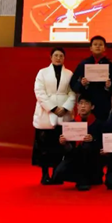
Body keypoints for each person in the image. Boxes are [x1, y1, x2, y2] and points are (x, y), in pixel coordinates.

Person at [32, 47, 76, 185]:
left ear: (64, 58)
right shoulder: (42, 72)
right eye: (56, 55)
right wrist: (53, 108)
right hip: (46, 113)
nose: (58, 58)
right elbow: (39, 92)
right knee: (44, 147)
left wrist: (66, 108)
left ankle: (57, 174)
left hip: (64, 112)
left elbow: (73, 92)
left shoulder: (69, 74)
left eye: (61, 56)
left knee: (59, 146)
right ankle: (45, 174)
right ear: (51, 57)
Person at [52, 93, 105, 191]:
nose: (83, 106)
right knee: (57, 174)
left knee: (86, 146)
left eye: (86, 103)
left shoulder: (99, 124)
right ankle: (82, 178)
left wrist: (93, 139)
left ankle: (84, 179)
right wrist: (64, 143)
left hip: (92, 160)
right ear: (77, 106)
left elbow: (104, 145)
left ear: (92, 107)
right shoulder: (70, 124)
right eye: (81, 103)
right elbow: (68, 150)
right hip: (75, 158)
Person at [71, 35, 112, 120]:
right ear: (90, 48)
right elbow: (73, 84)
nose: (98, 46)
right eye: (95, 44)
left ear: (104, 48)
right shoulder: (83, 64)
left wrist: (109, 86)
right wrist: (81, 84)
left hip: (103, 103)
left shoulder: (110, 65)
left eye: (100, 45)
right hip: (86, 104)